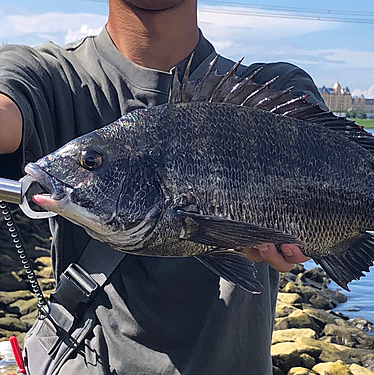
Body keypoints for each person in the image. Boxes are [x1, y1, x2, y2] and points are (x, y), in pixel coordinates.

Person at [0, 0, 325, 373]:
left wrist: (322, 233)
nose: (86, 166)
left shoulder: (274, 91)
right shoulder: (44, 75)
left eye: (91, 162)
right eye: (91, 163)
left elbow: (335, 181)